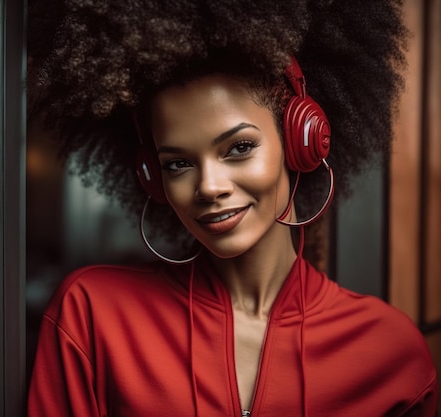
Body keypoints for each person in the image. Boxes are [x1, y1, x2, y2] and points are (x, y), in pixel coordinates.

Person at [26, 0, 438, 416]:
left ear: (301, 142)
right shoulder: (93, 314)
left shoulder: (390, 352)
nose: (208, 187)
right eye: (178, 164)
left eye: (239, 148)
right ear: (153, 177)